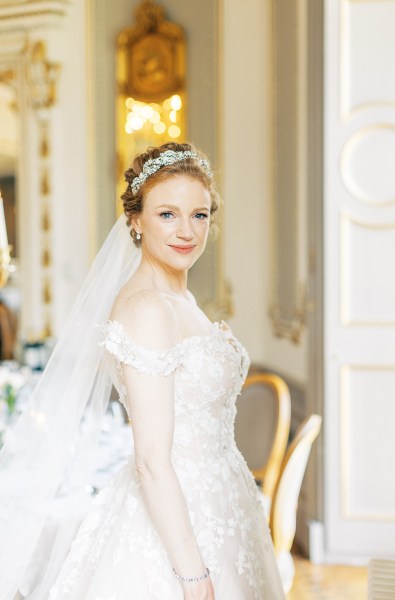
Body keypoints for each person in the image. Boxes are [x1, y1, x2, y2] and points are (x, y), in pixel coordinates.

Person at [0, 143, 285, 600]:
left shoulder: (182, 299)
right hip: (176, 525)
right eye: (167, 214)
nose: (187, 231)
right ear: (136, 221)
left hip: (221, 504)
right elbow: (152, 461)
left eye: (200, 215)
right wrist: (194, 578)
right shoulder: (147, 308)